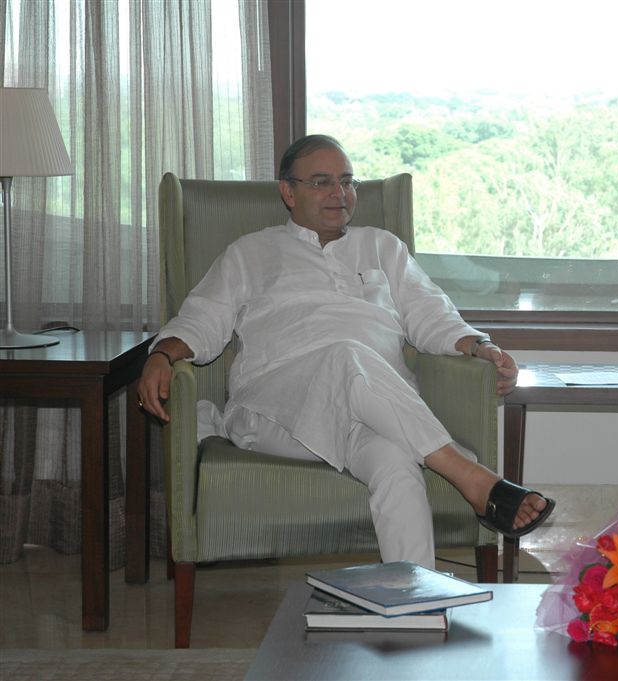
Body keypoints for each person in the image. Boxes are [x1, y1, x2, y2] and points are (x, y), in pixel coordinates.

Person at [138, 134, 554, 569]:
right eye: (321, 182)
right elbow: (202, 320)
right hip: (275, 409)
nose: (340, 193)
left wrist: (481, 345)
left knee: (396, 462)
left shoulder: (383, 246)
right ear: (288, 191)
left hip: (371, 409)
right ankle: (468, 475)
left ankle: (415, 609)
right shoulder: (250, 253)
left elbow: (431, 313)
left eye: (347, 181)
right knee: (345, 354)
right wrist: (162, 355)